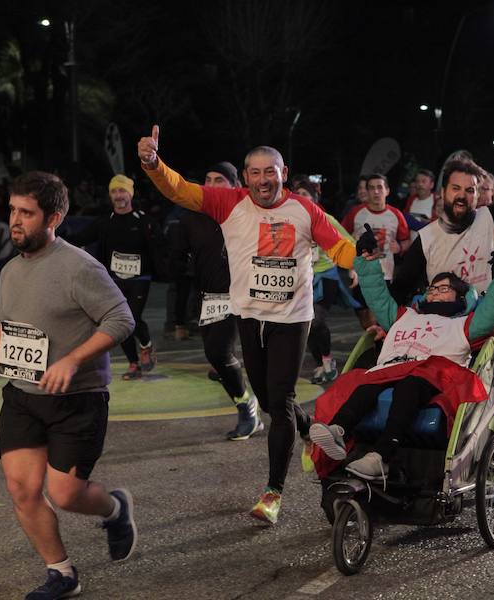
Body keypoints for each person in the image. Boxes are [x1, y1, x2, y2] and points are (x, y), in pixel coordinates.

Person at [137, 125, 356, 525]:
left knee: (281, 399)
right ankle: (313, 432)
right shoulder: (228, 202)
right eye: (254, 173)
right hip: (248, 315)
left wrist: (357, 256)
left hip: (291, 319)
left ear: (283, 172)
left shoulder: (304, 210)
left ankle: (273, 492)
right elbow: (180, 191)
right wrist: (152, 163)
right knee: (274, 401)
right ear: (246, 176)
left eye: (269, 171)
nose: (262, 180)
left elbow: (338, 245)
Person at [0, 171, 137, 599]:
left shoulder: (79, 268)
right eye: (12, 210)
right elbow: (6, 322)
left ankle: (116, 510)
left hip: (77, 399)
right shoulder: (10, 271)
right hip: (22, 394)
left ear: (54, 217)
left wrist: (73, 361)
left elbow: (122, 320)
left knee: (65, 493)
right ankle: (61, 572)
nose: (15, 221)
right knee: (21, 487)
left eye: (27, 212)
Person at [309, 243, 494, 480]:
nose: (434, 292)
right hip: (395, 369)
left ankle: (382, 457)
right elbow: (377, 295)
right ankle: (338, 430)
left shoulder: (465, 323)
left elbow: (491, 313)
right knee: (367, 384)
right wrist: (366, 262)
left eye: (443, 288)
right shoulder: (404, 315)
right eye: (432, 288)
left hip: (435, 374)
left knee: (410, 385)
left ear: (460, 296)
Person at [389, 131, 494, 363]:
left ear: (477, 195)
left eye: (470, 190)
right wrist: (385, 326)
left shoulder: (492, 218)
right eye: (456, 188)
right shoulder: (426, 238)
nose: (462, 196)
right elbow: (401, 288)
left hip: (490, 324)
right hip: (443, 330)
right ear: (442, 193)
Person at [170, 162, 261, 440]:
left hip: (240, 295)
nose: (210, 184)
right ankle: (246, 402)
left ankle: (248, 408)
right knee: (215, 355)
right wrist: (178, 317)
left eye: (219, 180)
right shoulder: (191, 217)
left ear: (235, 186)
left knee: (220, 351)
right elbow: (179, 265)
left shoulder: (248, 213)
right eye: (207, 178)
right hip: (208, 297)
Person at [65, 174, 163, 380]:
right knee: (121, 322)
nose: (118, 196)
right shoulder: (105, 222)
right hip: (114, 280)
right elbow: (80, 239)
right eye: (114, 192)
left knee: (133, 318)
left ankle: (146, 346)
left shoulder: (144, 220)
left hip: (139, 279)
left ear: (130, 193)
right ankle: (133, 364)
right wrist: (56, 236)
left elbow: (159, 248)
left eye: (122, 191)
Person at [292, 177, 359, 385]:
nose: (301, 198)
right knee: (306, 323)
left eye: (305, 194)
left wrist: (353, 269)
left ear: (313, 198)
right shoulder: (289, 220)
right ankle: (320, 362)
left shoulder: (325, 219)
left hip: (325, 276)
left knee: (315, 319)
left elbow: (349, 241)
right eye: (298, 194)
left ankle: (328, 360)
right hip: (301, 279)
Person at [341, 173, 410, 283]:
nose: (376, 192)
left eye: (380, 187)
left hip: (385, 275)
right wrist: (350, 243)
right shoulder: (355, 212)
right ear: (367, 192)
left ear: (387, 190)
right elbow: (340, 235)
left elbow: (406, 241)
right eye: (372, 188)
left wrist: (400, 247)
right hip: (360, 275)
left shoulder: (396, 214)